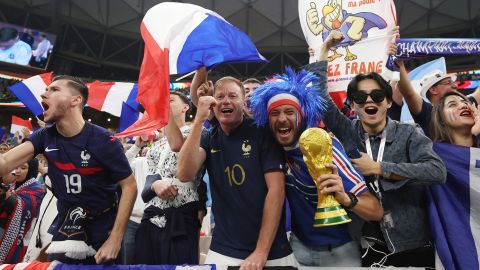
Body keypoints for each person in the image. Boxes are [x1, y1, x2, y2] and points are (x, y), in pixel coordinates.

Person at [306, 32, 447, 267]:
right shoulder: (348, 131)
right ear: (353, 105)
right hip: (368, 246)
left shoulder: (409, 133)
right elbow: (319, 98)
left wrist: (380, 168)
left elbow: (436, 171)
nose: (369, 101)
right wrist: (325, 51)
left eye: (377, 95)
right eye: (360, 97)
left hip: (412, 243)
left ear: (388, 102)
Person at [248, 35, 383, 267]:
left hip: (339, 253)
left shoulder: (323, 147)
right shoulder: (273, 150)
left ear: (301, 116)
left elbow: (376, 211)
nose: (282, 118)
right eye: (275, 113)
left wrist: (346, 198)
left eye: (290, 112)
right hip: (297, 249)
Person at [0, 75, 137, 264]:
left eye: (54, 90)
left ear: (76, 99)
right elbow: (5, 162)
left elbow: (129, 185)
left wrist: (115, 238)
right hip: (66, 227)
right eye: (47, 90)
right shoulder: (44, 136)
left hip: (103, 228)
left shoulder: (104, 139)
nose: (44, 94)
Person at [177, 76, 296, 269]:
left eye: (233, 96)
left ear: (243, 102)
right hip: (223, 250)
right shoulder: (209, 137)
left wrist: (261, 251)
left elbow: (276, 191)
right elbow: (184, 173)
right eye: (220, 96)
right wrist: (198, 119)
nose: (226, 101)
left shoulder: (262, 133)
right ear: (213, 104)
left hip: (272, 251)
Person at [135, 91, 206, 265]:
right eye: (163, 102)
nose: (165, 103)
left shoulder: (198, 131)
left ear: (185, 107)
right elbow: (150, 180)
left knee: (180, 265)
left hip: (182, 211)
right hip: (152, 212)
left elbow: (177, 146)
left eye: (170, 100)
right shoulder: (155, 144)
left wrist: (202, 203)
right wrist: (155, 185)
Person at [0, 158, 45, 264]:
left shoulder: (38, 190)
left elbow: (27, 207)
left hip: (23, 241)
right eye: (16, 167)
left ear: (32, 169)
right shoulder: (12, 186)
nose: (18, 171)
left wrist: (8, 197)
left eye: (23, 168)